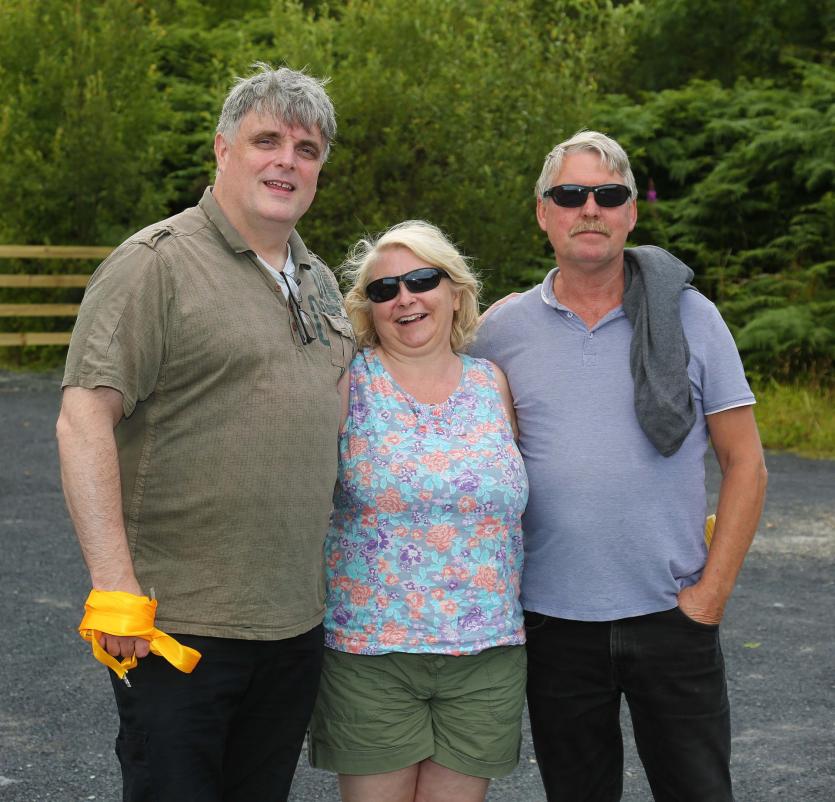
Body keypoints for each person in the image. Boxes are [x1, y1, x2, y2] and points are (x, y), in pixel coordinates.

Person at [56, 64, 354, 802]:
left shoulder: (315, 278)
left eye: (307, 148)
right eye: (267, 140)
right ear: (222, 149)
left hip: (292, 625)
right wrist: (115, 587)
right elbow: (82, 417)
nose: (287, 159)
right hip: (180, 628)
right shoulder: (156, 264)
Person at [470, 130, 768, 801]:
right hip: (551, 622)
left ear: (631, 213)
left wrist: (709, 597)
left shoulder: (692, 318)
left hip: (672, 614)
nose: (590, 209)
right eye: (569, 194)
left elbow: (745, 463)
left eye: (609, 195)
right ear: (542, 211)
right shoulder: (500, 331)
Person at [307, 221, 529, 802]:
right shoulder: (348, 384)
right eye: (384, 290)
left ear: (454, 291)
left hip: (486, 654)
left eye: (422, 280)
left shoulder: (494, 385)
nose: (404, 297)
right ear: (369, 310)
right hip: (372, 653)